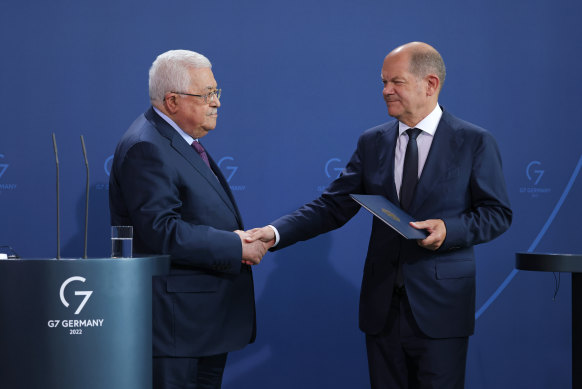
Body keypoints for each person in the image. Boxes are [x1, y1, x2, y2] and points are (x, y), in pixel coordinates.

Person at [247, 42, 512, 388]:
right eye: (383, 82)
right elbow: (332, 206)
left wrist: (449, 230)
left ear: (430, 84)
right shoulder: (373, 142)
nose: (386, 91)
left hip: (441, 309)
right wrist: (273, 232)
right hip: (382, 309)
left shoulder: (474, 141)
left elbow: (496, 213)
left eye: (396, 82)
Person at [109, 49, 271, 389]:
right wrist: (235, 245)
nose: (217, 103)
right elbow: (161, 231)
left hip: (200, 325)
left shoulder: (176, 140)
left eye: (217, 92)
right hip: (177, 328)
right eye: (208, 94)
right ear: (172, 101)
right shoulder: (147, 146)